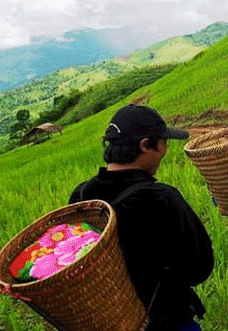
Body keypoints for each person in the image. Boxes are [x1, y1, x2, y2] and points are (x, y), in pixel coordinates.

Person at [70, 104, 214, 331]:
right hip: (167, 321)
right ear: (145, 145)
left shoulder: (81, 196)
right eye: (163, 142)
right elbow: (199, 267)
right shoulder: (161, 198)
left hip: (111, 322)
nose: (165, 150)